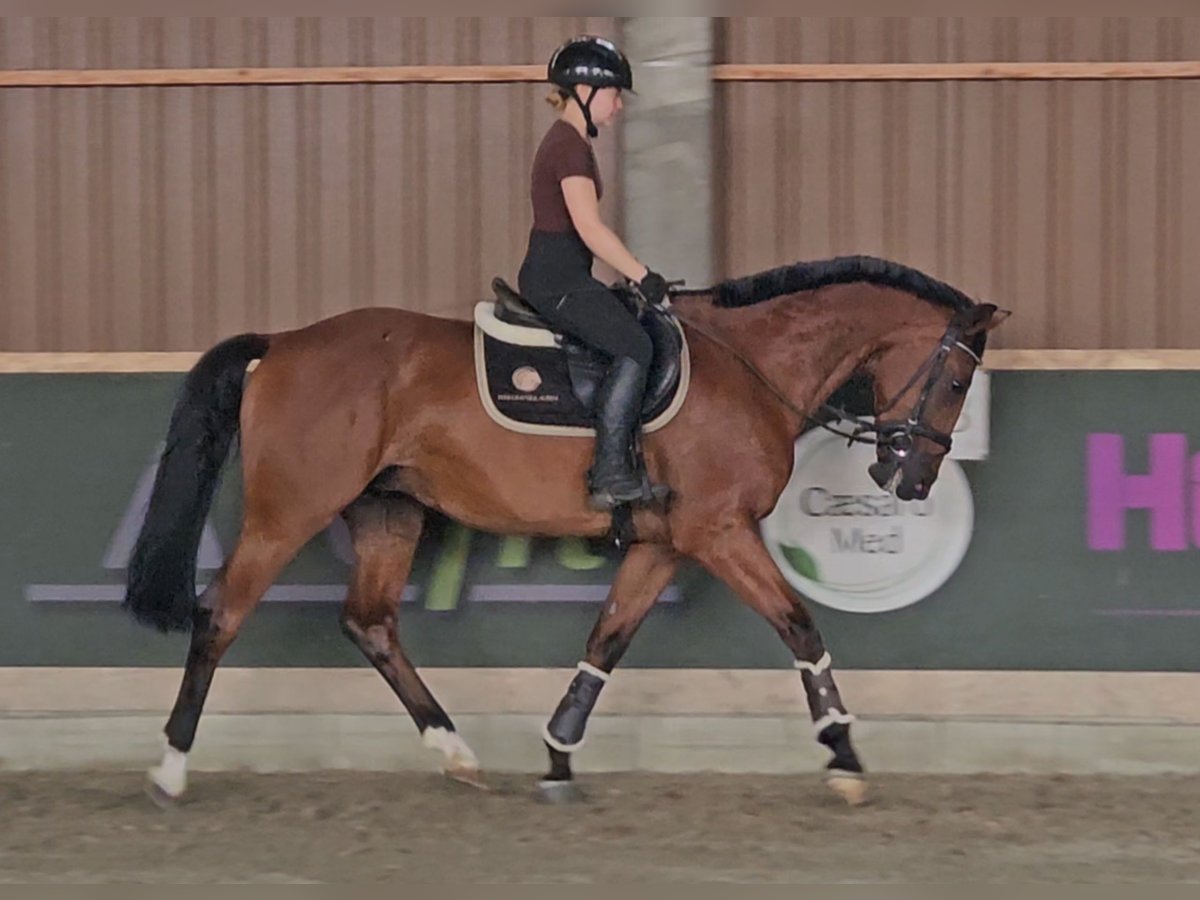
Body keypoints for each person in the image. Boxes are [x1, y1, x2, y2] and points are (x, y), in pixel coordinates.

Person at [517, 34, 669, 510]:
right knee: (635, 345)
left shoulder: (570, 143)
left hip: (565, 275)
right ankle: (609, 475)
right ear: (583, 91)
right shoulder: (568, 148)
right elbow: (589, 228)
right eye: (614, 94)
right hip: (557, 281)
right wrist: (643, 275)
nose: (618, 106)